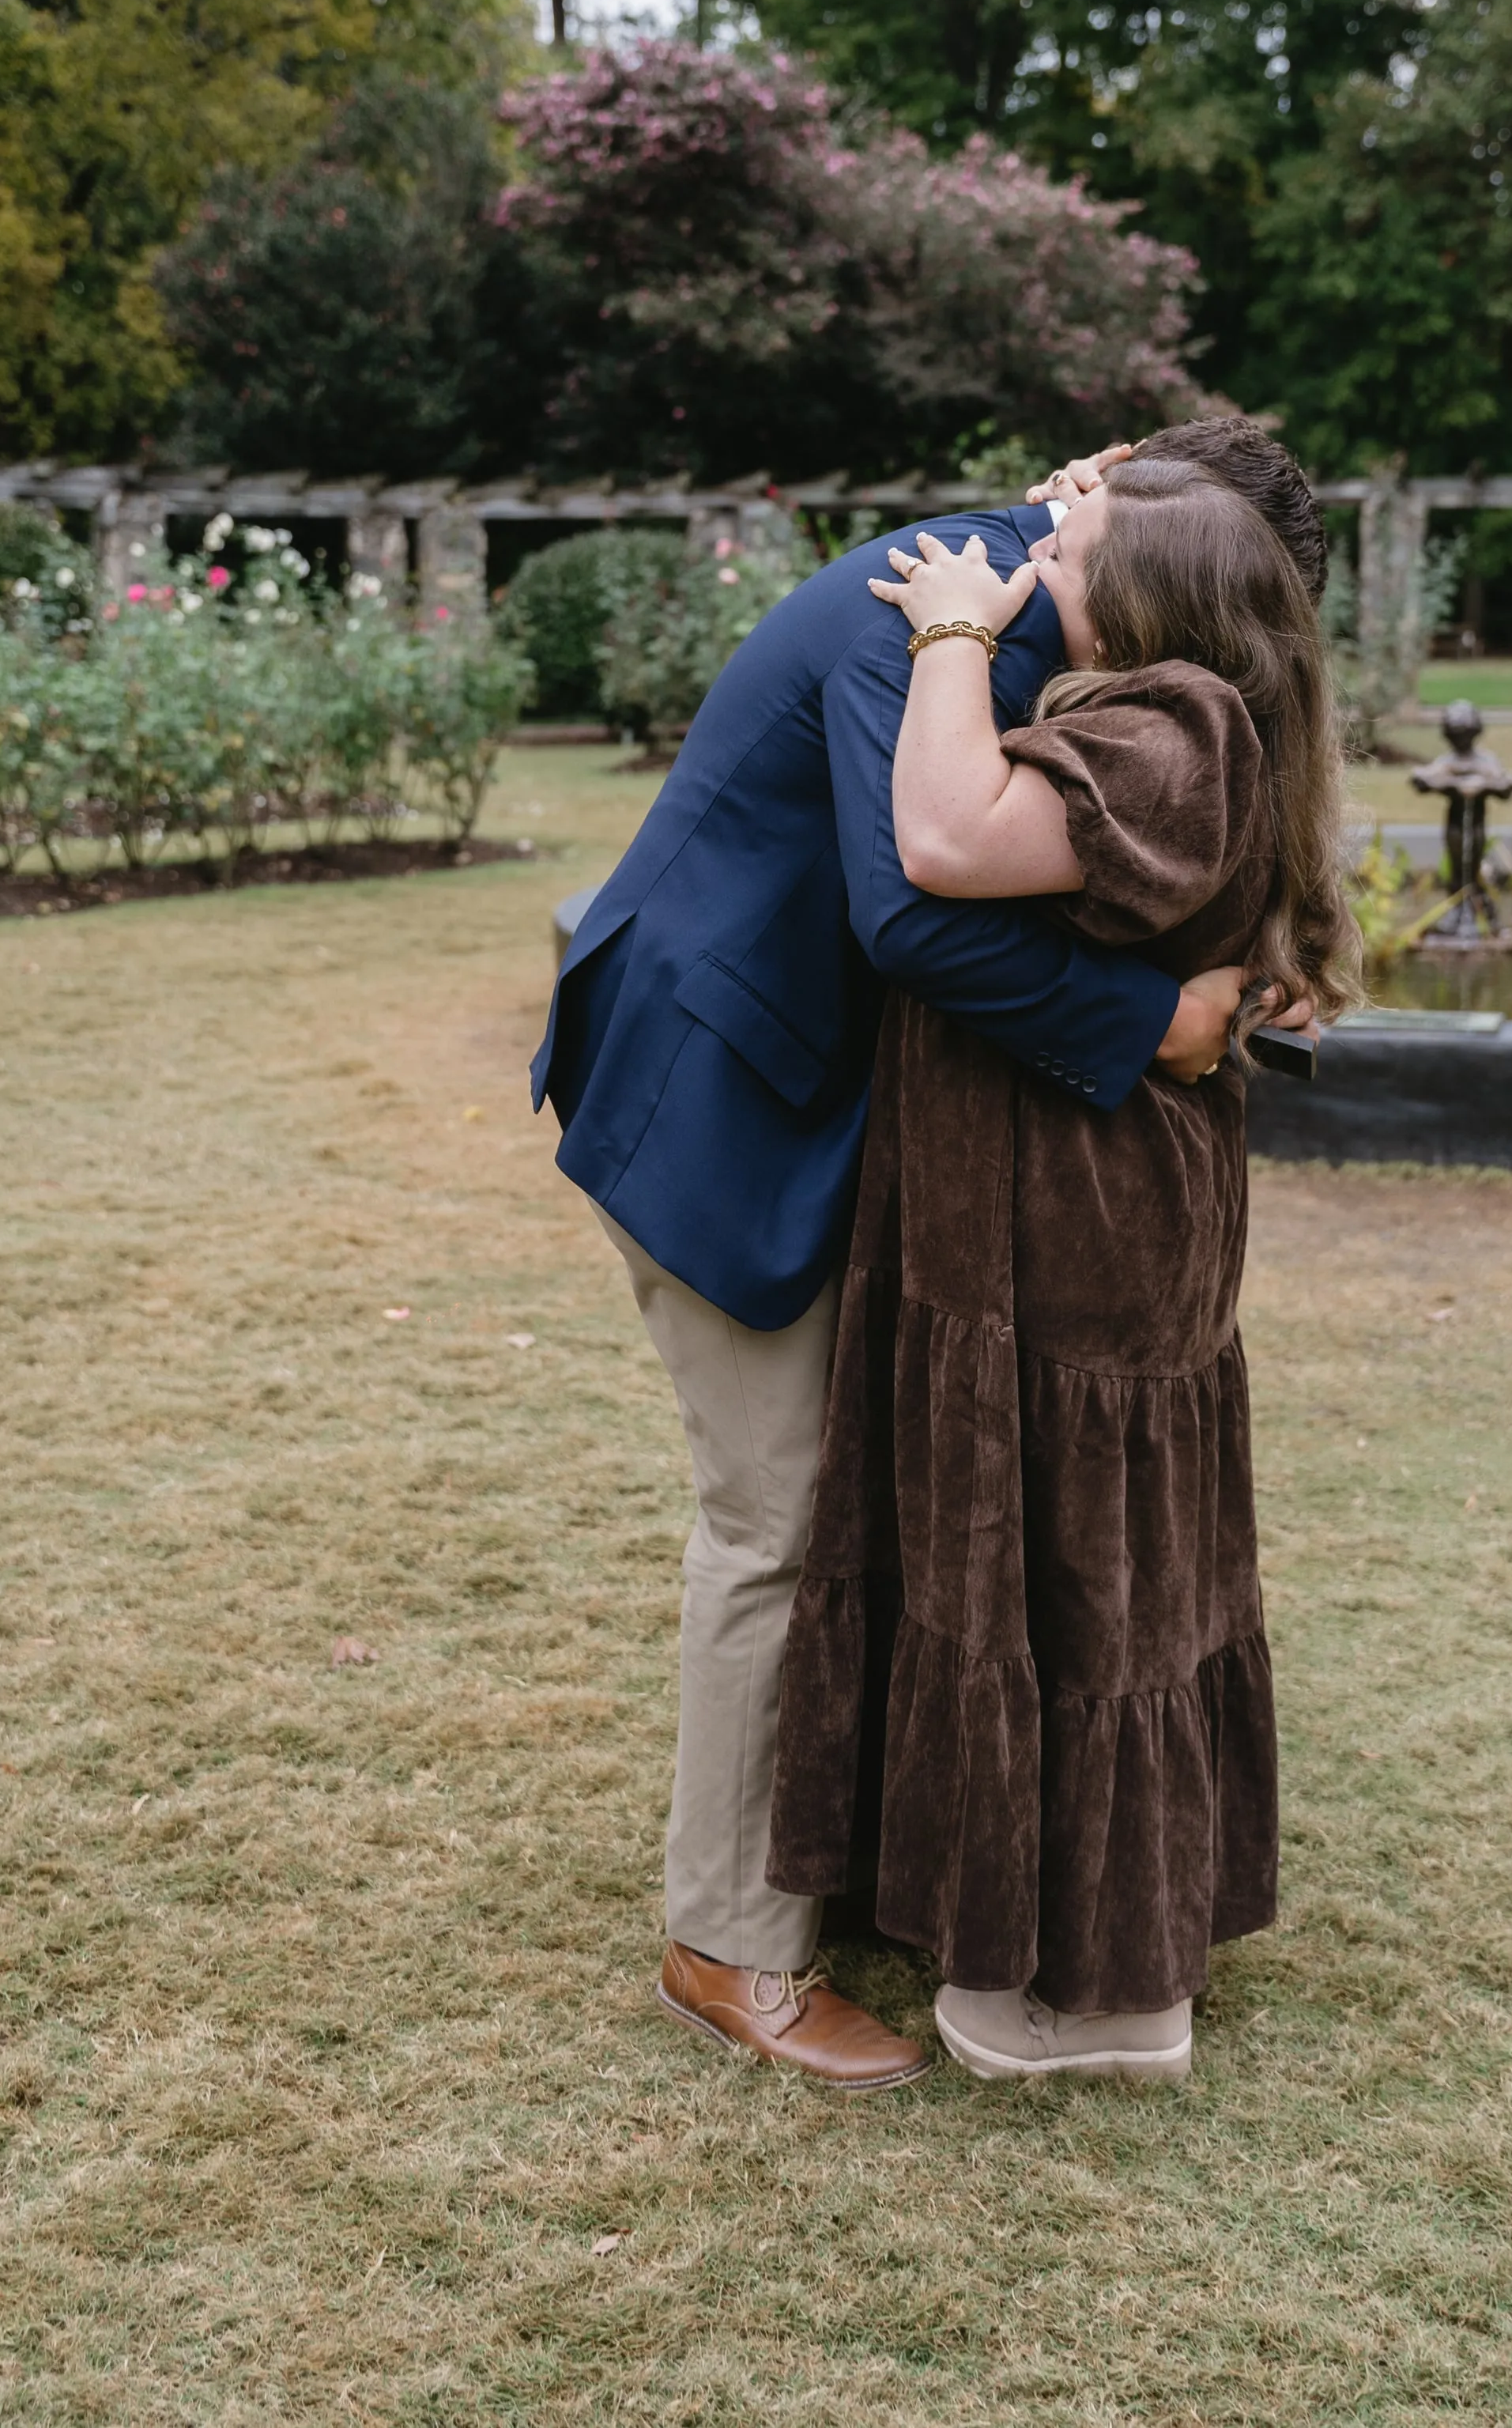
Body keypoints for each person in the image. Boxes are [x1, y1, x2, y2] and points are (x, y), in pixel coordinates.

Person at [531, 419, 1325, 2091]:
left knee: (860, 1496)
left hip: (825, 1094)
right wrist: (1154, 1021)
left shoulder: (1053, 612)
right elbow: (914, 908)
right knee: (774, 1518)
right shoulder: (950, 603)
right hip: (718, 1085)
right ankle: (727, 1946)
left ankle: (860, 1854)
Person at [766, 458, 1360, 2082]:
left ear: (1158, 593)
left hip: (1086, 1218)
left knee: (1083, 1582)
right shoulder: (1178, 718)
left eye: (1075, 544)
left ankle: (1105, 1996)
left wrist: (954, 632)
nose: (1039, 552)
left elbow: (945, 838)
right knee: (1041, 1565)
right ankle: (1034, 1926)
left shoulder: (1178, 730)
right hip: (1050, 1201)